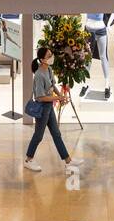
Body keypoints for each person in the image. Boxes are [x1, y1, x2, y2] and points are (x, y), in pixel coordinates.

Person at [23, 46, 82, 175]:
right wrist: (58, 97)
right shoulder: (38, 75)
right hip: (43, 108)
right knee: (38, 135)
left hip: (49, 107)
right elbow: (40, 97)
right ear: (42, 59)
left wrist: (59, 96)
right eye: (49, 56)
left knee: (56, 134)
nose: (52, 58)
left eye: (51, 55)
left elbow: (52, 85)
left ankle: (68, 161)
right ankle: (28, 160)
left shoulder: (49, 69)